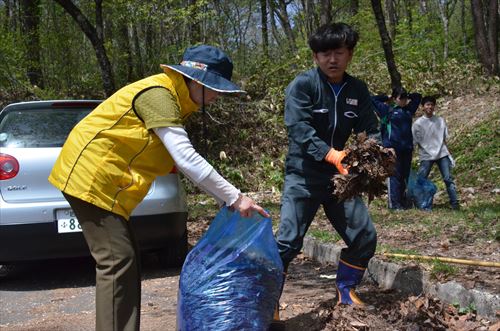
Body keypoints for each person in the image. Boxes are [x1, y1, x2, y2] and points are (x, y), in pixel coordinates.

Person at [48, 45, 269, 331]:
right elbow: (186, 158)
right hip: (91, 178)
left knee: (124, 262)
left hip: (106, 185)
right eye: (214, 89)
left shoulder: (174, 100)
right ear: (195, 81)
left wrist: (224, 199)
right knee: (117, 262)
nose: (216, 97)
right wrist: (235, 198)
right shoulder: (159, 95)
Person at [271, 22, 382, 329]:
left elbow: (368, 128)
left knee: (364, 237)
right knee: (288, 241)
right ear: (315, 57)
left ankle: (346, 290)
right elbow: (299, 128)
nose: (331, 59)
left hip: (341, 179)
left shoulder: (357, 89)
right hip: (303, 175)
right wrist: (331, 154)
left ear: (349, 54)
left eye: (338, 52)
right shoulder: (303, 85)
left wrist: (374, 152)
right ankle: (268, 304)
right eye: (324, 54)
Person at [371, 87, 422, 210]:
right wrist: (387, 97)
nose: (403, 101)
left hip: (407, 149)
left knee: (404, 176)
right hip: (392, 150)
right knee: (394, 177)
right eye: (401, 98)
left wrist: (407, 94)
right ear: (395, 99)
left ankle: (403, 202)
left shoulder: (408, 110)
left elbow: (418, 97)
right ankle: (394, 204)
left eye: (405, 98)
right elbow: (371, 99)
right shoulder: (387, 110)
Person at [412, 96, 460, 210]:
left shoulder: (440, 120)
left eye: (432, 104)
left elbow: (444, 139)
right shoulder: (418, 124)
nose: (430, 107)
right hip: (426, 155)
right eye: (427, 104)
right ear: (423, 107)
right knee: (421, 180)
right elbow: (414, 142)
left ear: (434, 106)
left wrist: (449, 155)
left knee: (448, 179)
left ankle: (455, 204)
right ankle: (419, 204)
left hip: (442, 154)